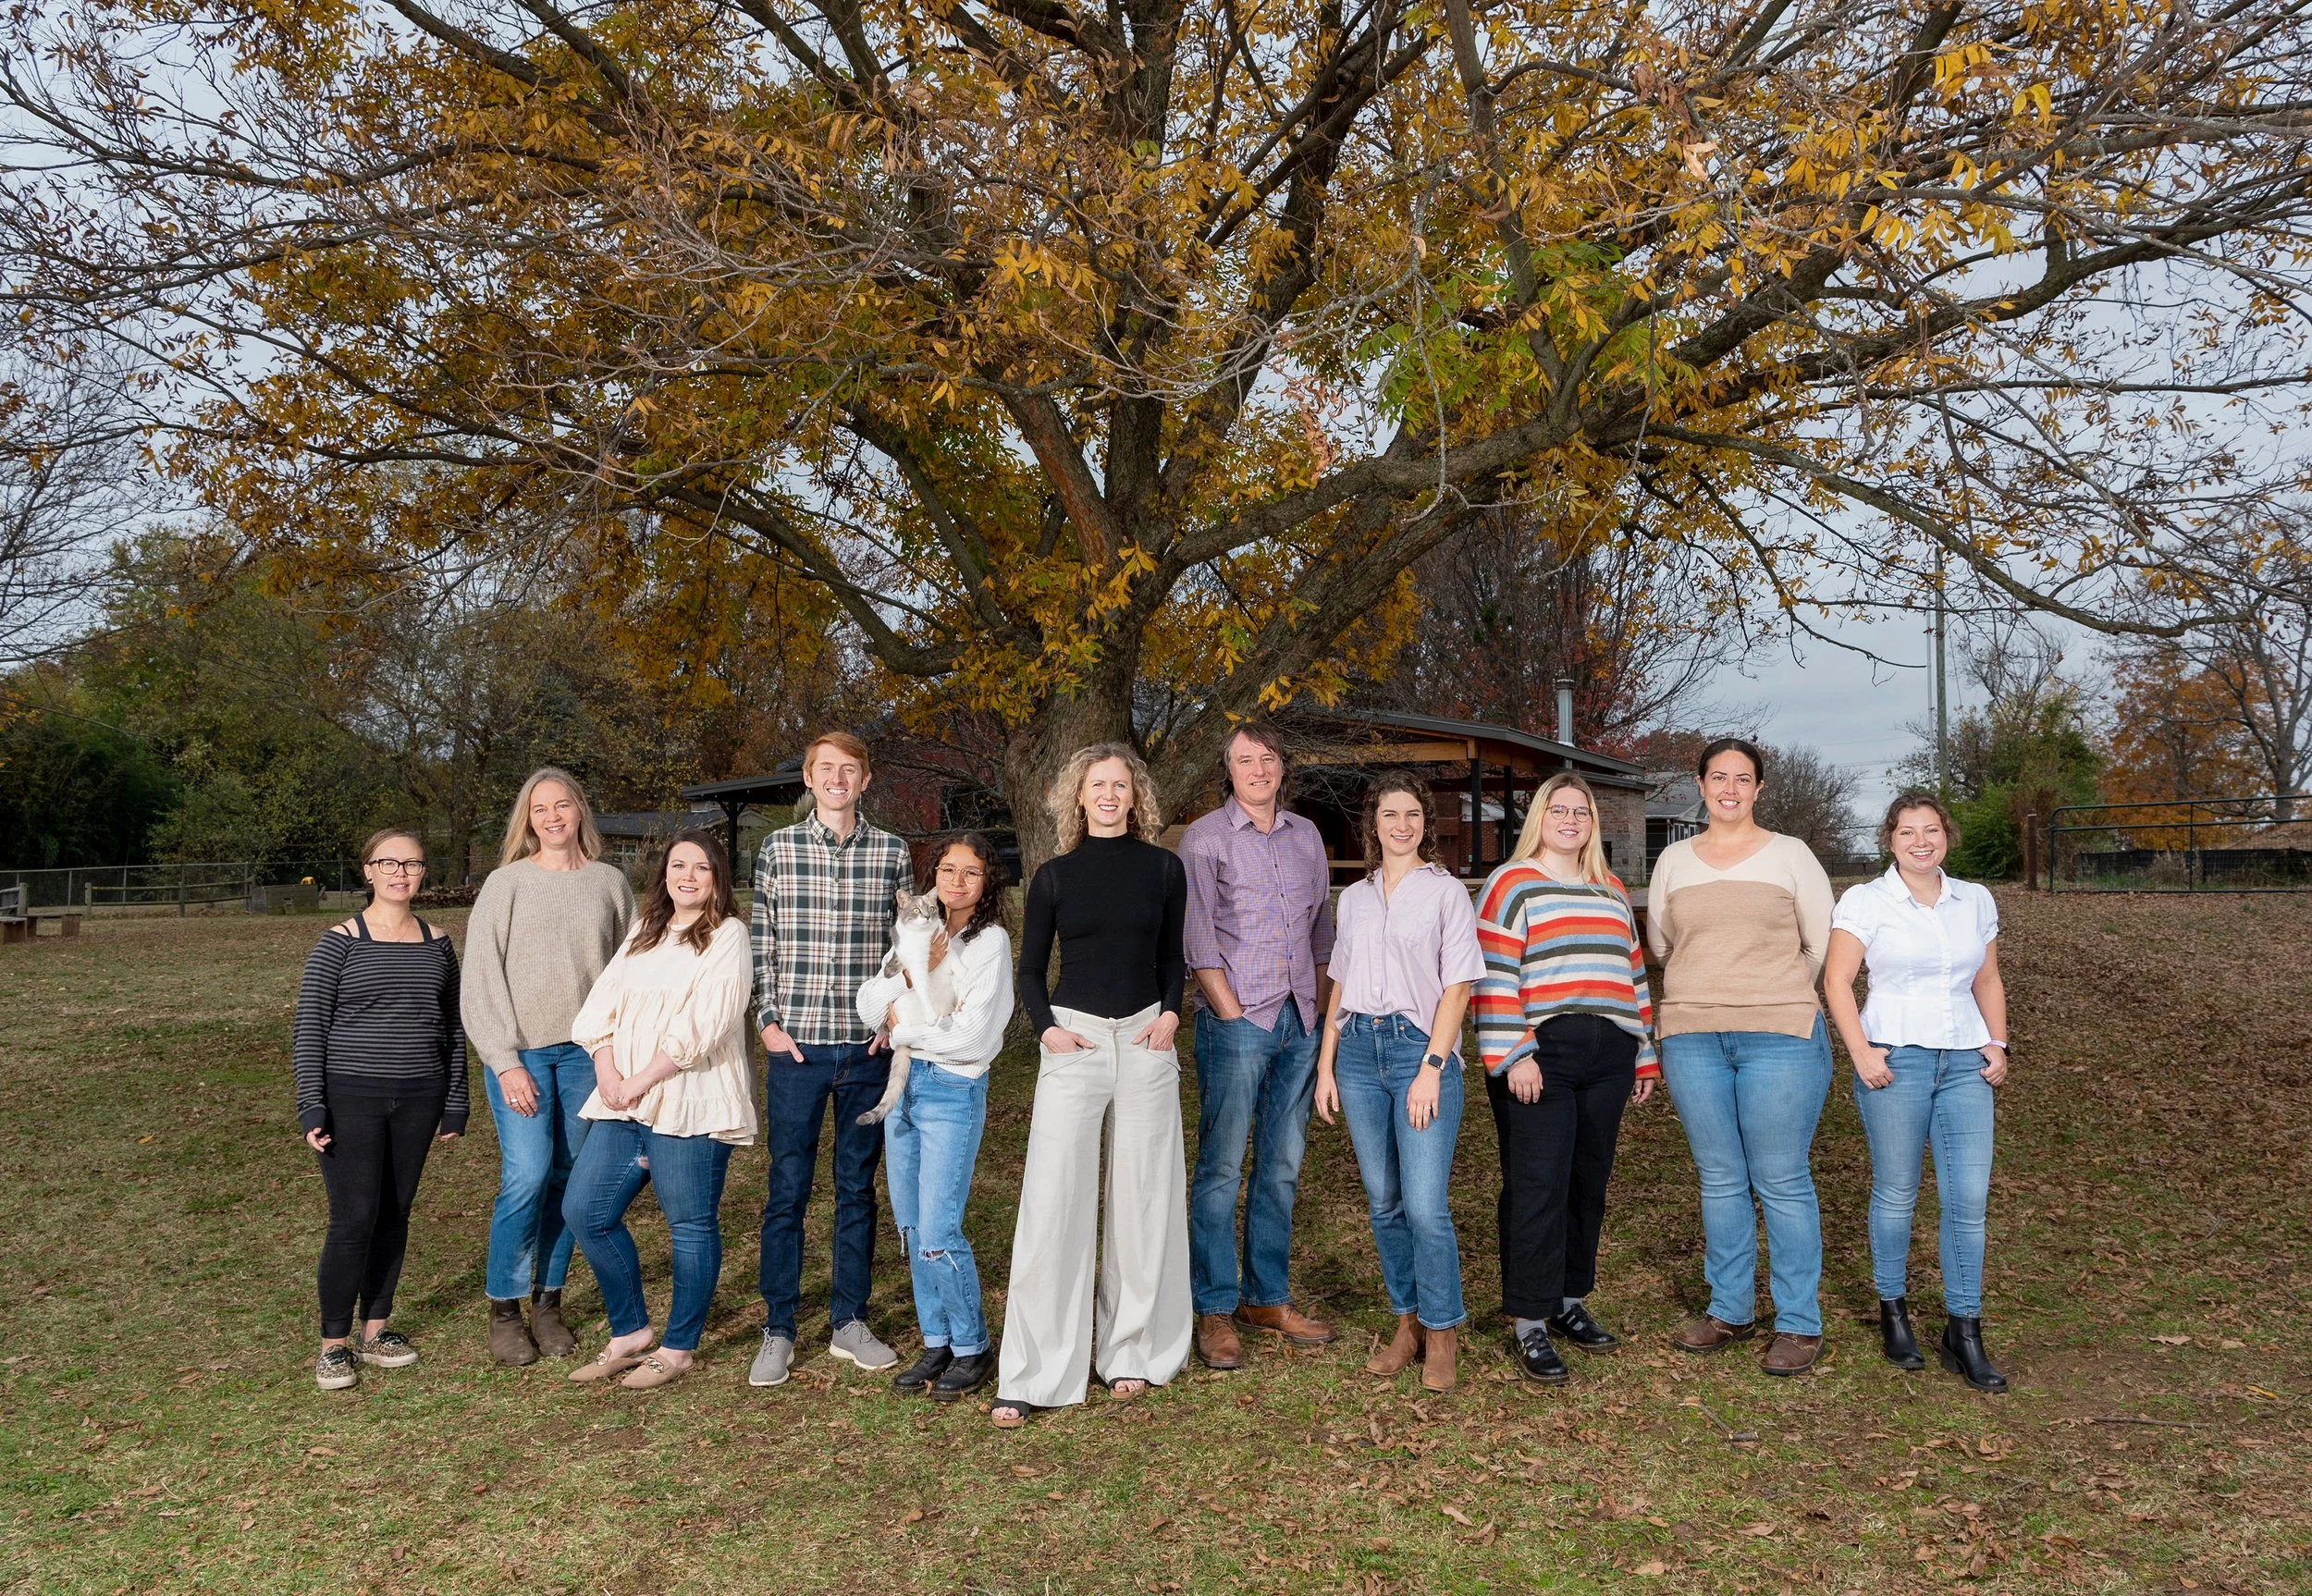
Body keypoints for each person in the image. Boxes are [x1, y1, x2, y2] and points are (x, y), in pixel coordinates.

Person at [992, 744, 1192, 1426]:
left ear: (1136, 797)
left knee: (1144, 1199)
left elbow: (1173, 958)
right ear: (1077, 797)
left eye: (1120, 784)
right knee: (1053, 1202)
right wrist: (1046, 1028)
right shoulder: (1052, 877)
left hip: (1145, 1038)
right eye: (1096, 785)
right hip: (1073, 1039)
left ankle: (1131, 1349)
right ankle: (1033, 1370)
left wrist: (1171, 1013)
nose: (1108, 794)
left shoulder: (1165, 868)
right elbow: (1027, 971)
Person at [1647, 738, 1838, 1376]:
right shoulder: (1673, 860)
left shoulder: (1792, 856)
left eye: (1744, 779)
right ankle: (1729, 1308)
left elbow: (1820, 945)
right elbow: (1665, 944)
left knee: (1780, 1179)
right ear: (1699, 784)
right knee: (1721, 1178)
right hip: (1693, 1037)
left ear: (1759, 789)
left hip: (1779, 1036)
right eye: (1719, 777)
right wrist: (1711, 990)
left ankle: (1798, 1323)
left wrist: (1769, 993)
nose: (1730, 789)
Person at [1473, 772, 1661, 1387]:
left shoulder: (1609, 889)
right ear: (1540, 817)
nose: (1571, 820)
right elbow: (1494, 973)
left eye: (1581, 811)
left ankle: (1567, 1300)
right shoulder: (1512, 883)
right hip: (1540, 1053)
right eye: (1560, 810)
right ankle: (1529, 1318)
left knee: (1588, 1182)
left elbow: (1633, 974)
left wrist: (1643, 1051)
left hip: (1608, 1053)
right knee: (1537, 1186)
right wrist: (1513, 1053)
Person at [1824, 792, 2011, 1392]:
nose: (1921, 841)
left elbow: (1986, 977)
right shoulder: (1866, 901)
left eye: (1931, 830)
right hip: (1894, 1063)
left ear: (1946, 837)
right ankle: (1894, 1311)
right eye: (1909, 832)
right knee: (1898, 1192)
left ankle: (1964, 1329)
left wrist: (1999, 1044)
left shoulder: (1974, 900)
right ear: (1891, 839)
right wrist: (1861, 1052)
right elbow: (1835, 980)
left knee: (1967, 1200)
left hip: (1964, 1064)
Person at [562, 831, 756, 1390]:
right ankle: (630, 1332)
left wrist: (641, 1079)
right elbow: (599, 1007)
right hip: (622, 1100)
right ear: (664, 873)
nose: (688, 876)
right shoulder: (643, 933)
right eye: (678, 865)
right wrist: (608, 1074)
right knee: (585, 1211)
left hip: (689, 1101)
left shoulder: (728, 936)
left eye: (701, 867)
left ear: (718, 877)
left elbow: (706, 1024)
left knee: (689, 1226)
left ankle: (677, 1348)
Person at [750, 730, 914, 1387]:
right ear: (809, 780)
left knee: (856, 1189)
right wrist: (766, 1021)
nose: (837, 779)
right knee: (786, 1191)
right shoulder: (777, 851)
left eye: (849, 770)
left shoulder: (893, 853)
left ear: (866, 780)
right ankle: (778, 1328)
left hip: (865, 1048)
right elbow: (761, 944)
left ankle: (849, 1320)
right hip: (797, 1050)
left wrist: (891, 1022)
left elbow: (905, 950)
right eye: (826, 770)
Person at [1312, 772, 1483, 1393]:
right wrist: (1328, 1065)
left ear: (1425, 823)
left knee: (1425, 1206)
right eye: (1391, 814)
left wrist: (1432, 1070)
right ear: (1374, 823)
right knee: (1384, 1203)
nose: (1402, 824)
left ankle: (1442, 1331)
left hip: (1419, 1051)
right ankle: (1405, 1323)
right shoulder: (1353, 898)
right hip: (1357, 1051)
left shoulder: (1446, 895)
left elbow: (1459, 986)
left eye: (1413, 814)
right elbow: (1338, 984)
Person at [461, 767, 636, 1366]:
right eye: (541, 809)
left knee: (568, 1181)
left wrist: (621, 1051)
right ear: (528, 820)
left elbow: (628, 973)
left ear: (580, 811)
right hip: (523, 1055)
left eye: (563, 805)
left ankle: (547, 1302)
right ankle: (505, 1310)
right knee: (527, 1176)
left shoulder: (610, 884)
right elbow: (480, 980)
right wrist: (504, 1062)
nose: (554, 817)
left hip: (589, 1056)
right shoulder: (505, 885)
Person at [1180, 719, 1337, 1370]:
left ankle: (1266, 1296)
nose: (1259, 769)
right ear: (1230, 769)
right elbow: (1196, 937)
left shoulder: (1307, 837)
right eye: (1246, 760)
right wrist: (1230, 1010)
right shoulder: (1205, 838)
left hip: (1300, 1020)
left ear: (1282, 767)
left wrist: (1321, 1003)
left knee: (1280, 1167)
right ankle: (1215, 1307)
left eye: (1268, 758)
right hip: (1237, 1021)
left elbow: (1322, 928)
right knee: (1220, 1170)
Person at [292, 829, 467, 1392]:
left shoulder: (439, 944)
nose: (400, 872)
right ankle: (333, 1345)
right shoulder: (338, 942)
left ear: (423, 873)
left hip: (420, 1096)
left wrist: (455, 1102)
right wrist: (312, 1105)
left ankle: (376, 1331)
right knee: (353, 1219)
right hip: (353, 1098)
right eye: (387, 862)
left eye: (411, 864)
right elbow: (310, 1029)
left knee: (395, 1214)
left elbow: (452, 1029)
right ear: (367, 870)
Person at [854, 833, 1015, 1402]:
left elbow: (973, 1034)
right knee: (914, 1226)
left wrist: (905, 1029)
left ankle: (972, 1347)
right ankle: (937, 1338)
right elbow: (866, 1004)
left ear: (986, 881)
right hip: (905, 1089)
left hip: (951, 1089)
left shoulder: (989, 942)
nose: (957, 881)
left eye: (971, 872)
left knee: (941, 1230)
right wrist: (906, 978)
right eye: (948, 869)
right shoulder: (918, 929)